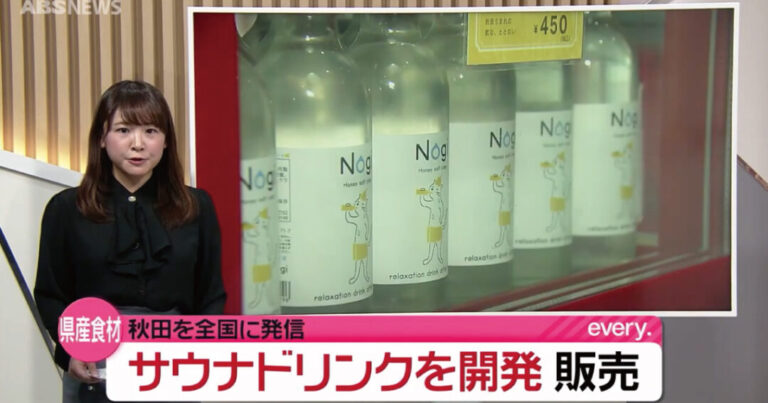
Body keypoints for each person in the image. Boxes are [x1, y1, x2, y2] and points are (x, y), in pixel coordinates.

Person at [33, 80, 226, 402]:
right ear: (101, 138)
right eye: (123, 130)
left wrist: (201, 352)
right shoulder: (66, 208)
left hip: (176, 358)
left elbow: (211, 295)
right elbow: (51, 294)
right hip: (95, 356)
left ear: (166, 141)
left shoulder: (197, 206)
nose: (138, 144)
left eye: (151, 131)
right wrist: (70, 349)